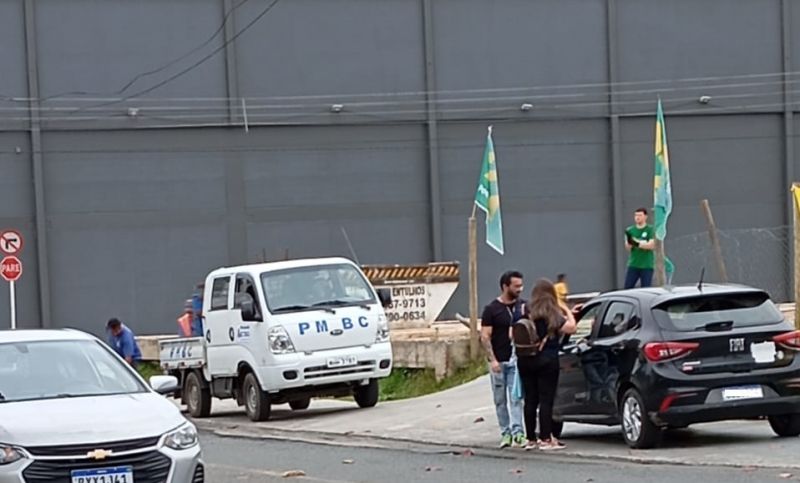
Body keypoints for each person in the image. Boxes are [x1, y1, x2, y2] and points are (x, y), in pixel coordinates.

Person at [516, 279, 577, 451]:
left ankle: (530, 439)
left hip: (525, 359)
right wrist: (566, 309)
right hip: (547, 359)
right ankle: (546, 438)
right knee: (546, 400)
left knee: (530, 400)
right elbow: (571, 328)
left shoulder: (525, 309)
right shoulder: (552, 312)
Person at [480, 270, 527, 449]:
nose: (520, 289)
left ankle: (518, 433)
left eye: (521, 285)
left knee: (516, 398)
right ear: (505, 286)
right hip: (498, 361)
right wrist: (492, 360)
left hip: (516, 361)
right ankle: (505, 433)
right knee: (500, 400)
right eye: (516, 286)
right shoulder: (492, 310)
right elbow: (485, 336)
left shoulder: (522, 307)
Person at [624, 208, 656, 289]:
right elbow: (628, 247)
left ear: (645, 217)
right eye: (636, 215)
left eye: (640, 215)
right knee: (628, 287)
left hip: (647, 265)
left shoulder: (650, 229)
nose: (637, 217)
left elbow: (651, 245)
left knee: (646, 289)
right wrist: (631, 242)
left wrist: (637, 243)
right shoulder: (630, 230)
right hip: (633, 264)